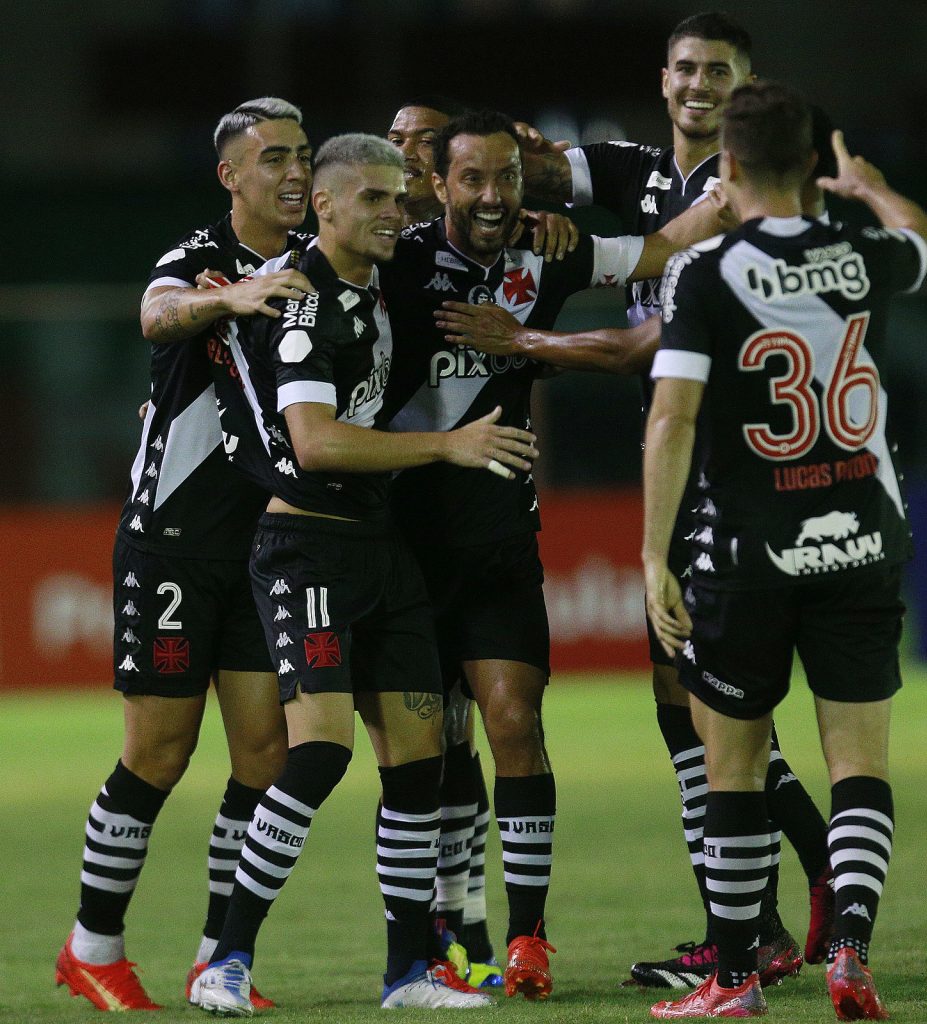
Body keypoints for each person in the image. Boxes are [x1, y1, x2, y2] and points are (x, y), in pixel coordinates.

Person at [450, 13, 831, 990]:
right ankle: (763, 919)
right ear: (661, 80)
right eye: (686, 69)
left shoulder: (733, 194)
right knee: (691, 714)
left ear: (748, 89)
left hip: (726, 478)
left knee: (712, 717)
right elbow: (525, 165)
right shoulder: (640, 172)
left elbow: (643, 345)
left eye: (720, 72)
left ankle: (783, 903)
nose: (699, 84)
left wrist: (519, 341)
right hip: (692, 477)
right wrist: (503, 197)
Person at [375, 107, 721, 1001]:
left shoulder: (553, 250)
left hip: (497, 538)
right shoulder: (395, 260)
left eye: (507, 178)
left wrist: (748, 193)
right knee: (434, 755)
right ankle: (451, 934)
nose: (493, 197)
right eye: (474, 180)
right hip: (398, 546)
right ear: (441, 186)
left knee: (514, 723)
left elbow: (659, 248)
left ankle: (526, 941)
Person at [189, 132, 538, 1015]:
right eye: (375, 200)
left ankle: (407, 974)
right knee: (319, 756)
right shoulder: (306, 306)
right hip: (308, 549)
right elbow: (314, 442)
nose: (396, 212)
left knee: (418, 766)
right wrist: (447, 446)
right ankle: (224, 960)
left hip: (382, 550)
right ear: (328, 208)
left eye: (399, 197)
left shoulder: (372, 285)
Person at [642, 81, 927, 1018]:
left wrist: (654, 556)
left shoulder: (707, 271)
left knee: (730, 766)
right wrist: (870, 188)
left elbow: (672, 417)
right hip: (860, 541)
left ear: (724, 168)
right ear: (813, 166)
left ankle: (732, 982)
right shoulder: (866, 249)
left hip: (749, 554)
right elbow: (926, 239)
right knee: (860, 764)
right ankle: (849, 949)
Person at [54, 96, 318, 1013]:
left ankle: (218, 960)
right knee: (159, 753)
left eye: (302, 155)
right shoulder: (194, 258)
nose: (293, 172)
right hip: (170, 544)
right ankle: (92, 945)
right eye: (274, 156)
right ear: (230, 175)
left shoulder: (324, 266)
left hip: (265, 550)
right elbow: (156, 313)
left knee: (263, 754)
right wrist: (230, 296)